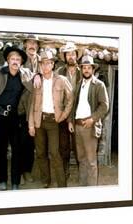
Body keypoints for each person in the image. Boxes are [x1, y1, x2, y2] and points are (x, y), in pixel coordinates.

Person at [0, 45, 34, 190]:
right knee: (1, 150)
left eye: (18, 59)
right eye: (12, 59)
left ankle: (15, 182)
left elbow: (36, 76)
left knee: (17, 150)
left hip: (16, 118)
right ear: (7, 60)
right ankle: (2, 180)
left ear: (21, 62)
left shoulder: (25, 74)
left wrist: (38, 76)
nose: (15, 61)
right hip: (0, 116)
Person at [28, 50, 73, 188]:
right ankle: (46, 180)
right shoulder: (36, 80)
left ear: (53, 64)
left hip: (54, 121)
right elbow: (32, 104)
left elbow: (71, 99)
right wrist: (31, 125)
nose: (45, 66)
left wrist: (63, 116)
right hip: (39, 121)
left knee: (55, 152)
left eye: (48, 63)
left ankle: (61, 184)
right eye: (43, 63)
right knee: (41, 153)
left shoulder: (62, 80)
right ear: (40, 65)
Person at [68, 55, 109, 186]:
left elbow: (104, 106)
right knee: (81, 158)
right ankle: (82, 185)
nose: (86, 70)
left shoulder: (99, 85)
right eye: (84, 68)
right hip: (78, 125)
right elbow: (73, 105)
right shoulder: (79, 84)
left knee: (91, 161)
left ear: (93, 69)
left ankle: (91, 190)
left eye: (88, 68)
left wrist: (93, 119)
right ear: (81, 69)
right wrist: (70, 121)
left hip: (89, 125)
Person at [56, 42, 83, 178]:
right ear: (65, 57)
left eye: (73, 54)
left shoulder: (82, 71)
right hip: (63, 114)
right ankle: (65, 171)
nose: (71, 57)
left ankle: (81, 172)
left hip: (79, 114)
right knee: (64, 146)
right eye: (68, 54)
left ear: (76, 56)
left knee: (79, 147)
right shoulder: (60, 72)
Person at [18, 34, 40, 183]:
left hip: (36, 108)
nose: (32, 45)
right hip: (20, 107)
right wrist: (36, 76)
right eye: (29, 43)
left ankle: (27, 171)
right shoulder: (19, 59)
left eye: (34, 43)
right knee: (19, 141)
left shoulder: (41, 60)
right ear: (25, 45)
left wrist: (40, 74)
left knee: (31, 143)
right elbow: (23, 78)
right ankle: (18, 172)